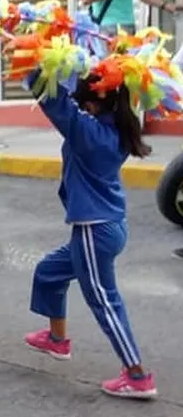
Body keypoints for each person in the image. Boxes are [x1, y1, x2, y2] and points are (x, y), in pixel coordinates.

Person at [24, 71, 156, 399]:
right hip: (108, 226)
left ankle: (137, 375)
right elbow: (67, 101)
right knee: (48, 272)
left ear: (94, 104)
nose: (78, 106)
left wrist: (38, 59)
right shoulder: (114, 127)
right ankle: (57, 340)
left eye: (83, 101)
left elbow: (51, 98)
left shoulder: (90, 134)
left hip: (93, 231)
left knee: (105, 302)